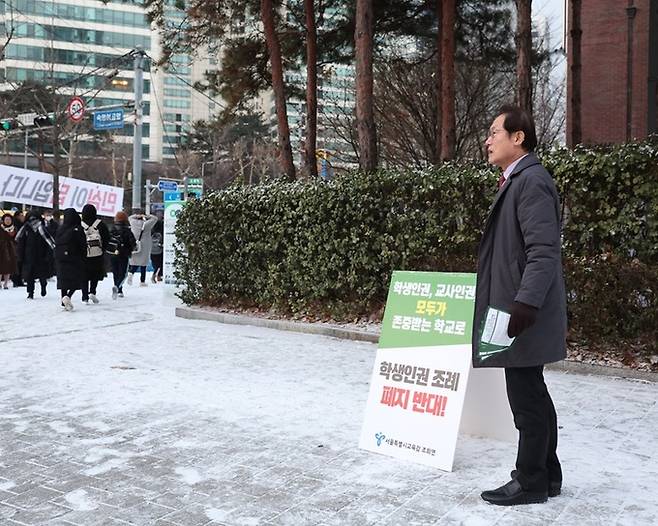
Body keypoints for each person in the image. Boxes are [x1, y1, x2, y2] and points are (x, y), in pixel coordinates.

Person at [474, 105, 566, 506]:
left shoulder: (530, 182)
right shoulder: (517, 180)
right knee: (534, 395)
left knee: (526, 400)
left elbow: (543, 251)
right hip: (518, 308)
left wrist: (525, 303)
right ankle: (547, 475)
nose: (488, 140)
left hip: (522, 312)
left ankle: (529, 480)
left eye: (495, 132)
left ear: (518, 138)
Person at [15, 210, 56, 299]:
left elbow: (48, 242)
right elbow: (21, 242)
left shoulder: (41, 228)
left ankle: (40, 288)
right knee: (32, 275)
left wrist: (47, 255)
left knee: (39, 275)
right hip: (31, 255)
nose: (33, 221)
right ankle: (32, 292)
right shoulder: (26, 228)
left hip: (37, 255)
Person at [54, 208, 87, 311]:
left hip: (61, 258)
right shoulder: (77, 228)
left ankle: (63, 299)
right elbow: (82, 244)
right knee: (76, 279)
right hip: (74, 258)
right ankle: (68, 296)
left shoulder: (60, 229)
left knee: (63, 280)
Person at [80, 204, 110, 304]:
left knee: (84, 275)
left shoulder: (80, 224)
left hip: (84, 254)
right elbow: (107, 238)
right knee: (95, 274)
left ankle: (84, 296)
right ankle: (92, 291)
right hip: (97, 254)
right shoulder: (100, 224)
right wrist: (103, 249)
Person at [108, 211, 136, 299]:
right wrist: (132, 248)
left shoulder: (112, 229)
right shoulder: (127, 230)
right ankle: (118, 287)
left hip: (113, 254)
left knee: (115, 272)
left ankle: (118, 288)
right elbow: (132, 242)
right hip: (123, 254)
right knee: (123, 273)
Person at [127, 210, 158, 286]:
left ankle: (131, 273)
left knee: (134, 262)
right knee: (143, 263)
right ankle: (142, 281)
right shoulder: (147, 224)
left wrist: (137, 215)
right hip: (145, 245)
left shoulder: (133, 222)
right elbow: (155, 218)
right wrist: (147, 216)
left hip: (135, 245)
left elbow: (130, 217)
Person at [0, 213, 18, 289]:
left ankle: (6, 284)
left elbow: (16, 238)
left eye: (9, 220)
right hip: (1, 249)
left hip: (11, 250)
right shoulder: (1, 228)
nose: (7, 221)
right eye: (6, 219)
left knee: (8, 267)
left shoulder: (14, 229)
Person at [11, 209, 25, 287]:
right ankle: (16, 280)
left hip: (20, 246)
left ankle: (19, 280)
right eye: (21, 215)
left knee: (20, 264)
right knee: (17, 264)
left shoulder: (22, 224)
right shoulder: (16, 225)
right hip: (16, 247)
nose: (22, 217)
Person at [150, 218, 164, 283]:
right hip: (159, 251)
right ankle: (156, 276)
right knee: (160, 265)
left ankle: (158, 276)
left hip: (152, 251)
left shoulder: (151, 232)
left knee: (155, 265)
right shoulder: (161, 234)